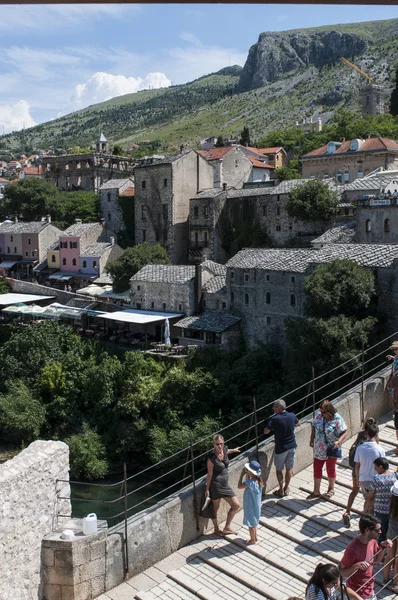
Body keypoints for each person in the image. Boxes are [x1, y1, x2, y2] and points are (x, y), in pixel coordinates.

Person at [340, 514, 392, 599]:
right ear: (367, 530)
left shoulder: (373, 541)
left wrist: (383, 547)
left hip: (370, 591)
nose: (380, 532)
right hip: (357, 594)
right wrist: (355, 566)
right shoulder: (352, 549)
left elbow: (376, 560)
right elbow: (340, 572)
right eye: (377, 530)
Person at [307, 400, 348, 500]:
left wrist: (338, 442)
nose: (321, 414)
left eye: (323, 412)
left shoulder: (337, 418)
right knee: (317, 468)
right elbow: (314, 425)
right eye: (321, 411)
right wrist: (312, 438)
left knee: (330, 468)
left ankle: (331, 489)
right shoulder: (319, 416)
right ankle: (316, 491)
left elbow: (345, 432)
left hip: (331, 448)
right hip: (319, 448)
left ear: (329, 411)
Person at [343, 418, 378, 528]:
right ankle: (367, 519)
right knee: (370, 499)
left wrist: (357, 477)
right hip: (366, 472)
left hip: (356, 470)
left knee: (354, 490)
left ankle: (347, 511)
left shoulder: (360, 435)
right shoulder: (374, 439)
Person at [205, 434, 240, 535]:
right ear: (213, 444)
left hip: (225, 485)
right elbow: (209, 474)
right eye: (217, 444)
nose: (219, 446)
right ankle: (216, 529)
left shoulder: (224, 449)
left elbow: (226, 451)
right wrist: (207, 489)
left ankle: (226, 527)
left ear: (223, 443)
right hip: (216, 486)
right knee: (215, 507)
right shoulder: (211, 458)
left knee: (235, 505)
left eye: (221, 444)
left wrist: (234, 450)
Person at [264, 398, 300, 497]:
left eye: (274, 406)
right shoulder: (292, 415)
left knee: (279, 469)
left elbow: (266, 431)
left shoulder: (275, 419)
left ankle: (281, 490)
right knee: (289, 468)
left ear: (279, 408)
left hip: (281, 448)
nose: (273, 408)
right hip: (292, 445)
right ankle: (286, 488)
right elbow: (298, 424)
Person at [365, 457, 397, 543]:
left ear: (381, 467)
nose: (375, 470)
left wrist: (367, 508)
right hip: (393, 510)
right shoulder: (396, 476)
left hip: (380, 510)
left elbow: (371, 497)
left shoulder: (377, 479)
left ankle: (380, 551)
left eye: (376, 468)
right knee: (391, 533)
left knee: (381, 534)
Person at [354, 423, 385, 510]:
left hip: (363, 480)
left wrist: (357, 479)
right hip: (375, 480)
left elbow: (357, 466)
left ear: (367, 434)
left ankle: (365, 515)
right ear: (377, 435)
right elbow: (383, 468)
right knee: (374, 502)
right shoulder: (380, 450)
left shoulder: (360, 448)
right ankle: (369, 518)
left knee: (367, 500)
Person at [237, 460, 263, 545]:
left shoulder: (249, 483)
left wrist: (241, 475)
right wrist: (248, 475)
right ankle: (254, 537)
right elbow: (250, 482)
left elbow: (239, 486)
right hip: (257, 506)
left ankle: (252, 540)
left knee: (251, 524)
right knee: (254, 522)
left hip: (250, 506)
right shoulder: (259, 481)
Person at [383, 481, 398, 590]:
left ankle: (385, 578)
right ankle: (395, 583)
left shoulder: (391, 502)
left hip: (392, 530)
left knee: (389, 556)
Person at [387, 341, 398, 442]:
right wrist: (393, 358)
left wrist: (396, 373)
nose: (395, 351)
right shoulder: (397, 357)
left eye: (396, 349)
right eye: (394, 349)